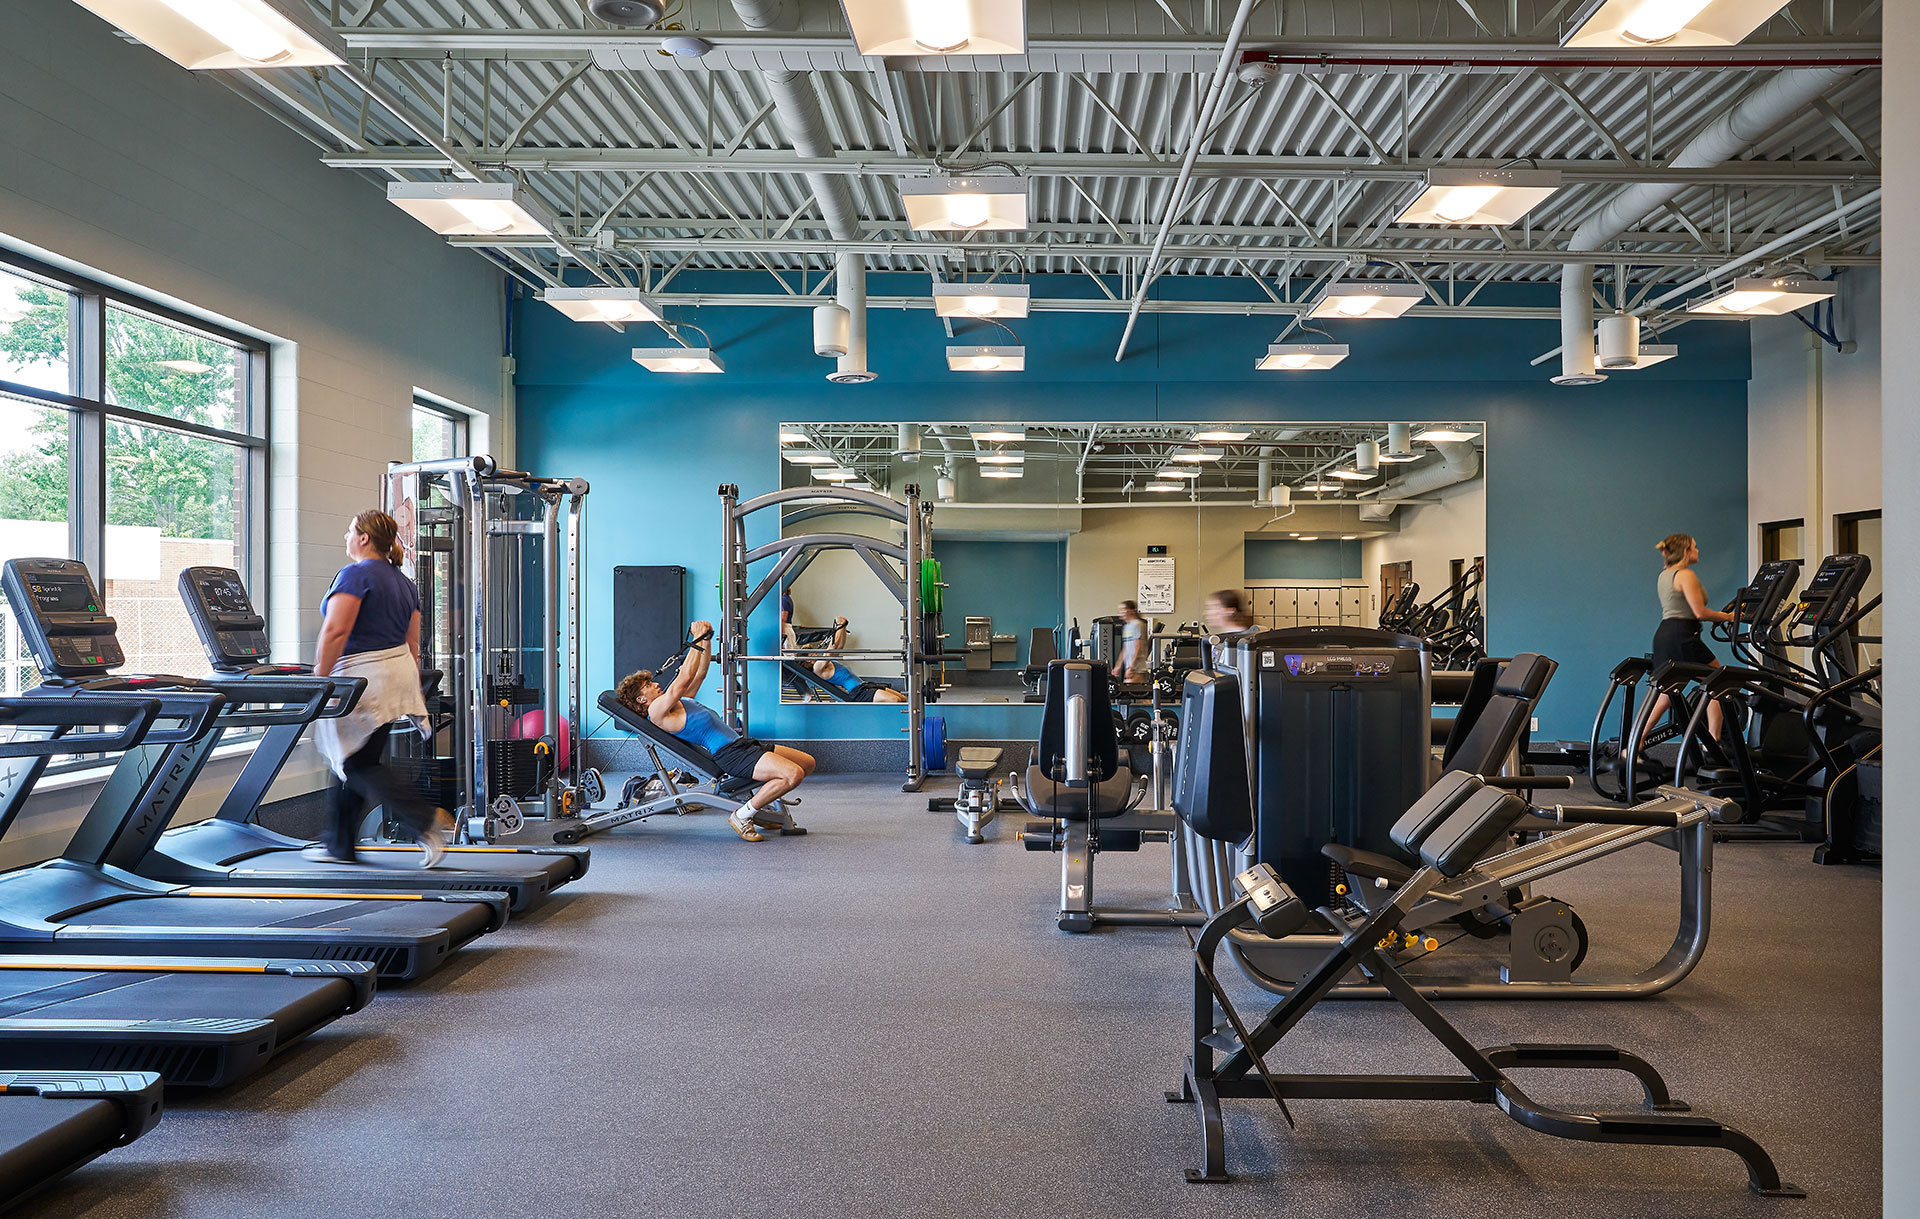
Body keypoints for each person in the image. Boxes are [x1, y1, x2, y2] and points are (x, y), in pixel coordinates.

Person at [310, 509, 450, 867]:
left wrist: (319, 679)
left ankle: (423, 819)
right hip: (394, 676)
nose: (345, 536)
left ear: (365, 538)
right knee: (356, 759)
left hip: (362, 679)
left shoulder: (355, 575)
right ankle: (339, 845)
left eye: (349, 530)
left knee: (356, 763)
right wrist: (409, 688)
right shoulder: (403, 582)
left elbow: (336, 631)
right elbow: (414, 644)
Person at [615, 620, 815, 842]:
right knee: (792, 774)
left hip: (742, 745)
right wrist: (696, 638)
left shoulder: (674, 704)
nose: (655, 684)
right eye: (648, 685)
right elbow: (683, 679)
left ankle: (758, 807)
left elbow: (698, 674)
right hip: (731, 755)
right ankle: (743, 814)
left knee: (807, 763)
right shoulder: (657, 711)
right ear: (641, 699)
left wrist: (706, 640)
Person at [1644, 533, 1736, 741]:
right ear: (1685, 551)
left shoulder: (1664, 574)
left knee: (1665, 695)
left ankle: (1633, 744)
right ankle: (1713, 743)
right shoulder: (1686, 575)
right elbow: (1700, 612)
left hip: (1665, 634)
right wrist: (1728, 616)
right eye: (1695, 547)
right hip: (1683, 635)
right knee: (1719, 682)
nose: (1698, 550)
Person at [789, 617, 907, 703]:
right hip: (858, 693)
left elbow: (839, 647)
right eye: (812, 653)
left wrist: (843, 627)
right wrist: (840, 625)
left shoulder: (822, 663)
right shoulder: (818, 668)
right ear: (807, 660)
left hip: (865, 685)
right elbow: (832, 648)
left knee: (903, 699)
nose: (815, 652)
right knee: (894, 700)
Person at [1117, 600, 1148, 683]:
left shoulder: (1138, 624)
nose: (1121, 613)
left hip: (1137, 668)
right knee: (1135, 694)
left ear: (1130, 611)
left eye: (1123, 610)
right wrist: (1118, 666)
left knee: (1128, 690)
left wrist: (1131, 667)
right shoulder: (1127, 627)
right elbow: (1125, 649)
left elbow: (1138, 647)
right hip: (1130, 667)